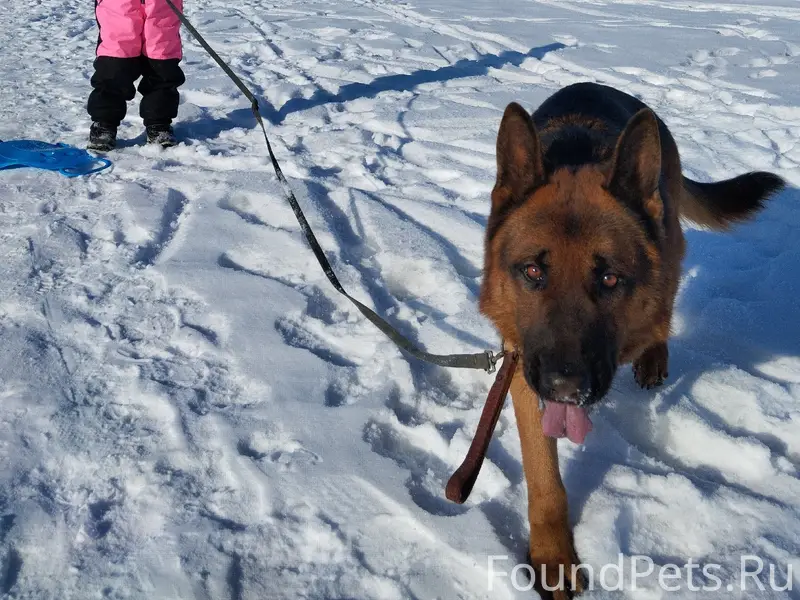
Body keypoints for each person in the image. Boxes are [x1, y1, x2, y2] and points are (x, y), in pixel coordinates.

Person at [87, 0, 186, 151]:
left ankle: (159, 123)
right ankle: (104, 123)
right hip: (118, 7)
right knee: (115, 62)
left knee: (162, 61)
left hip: (161, 9)